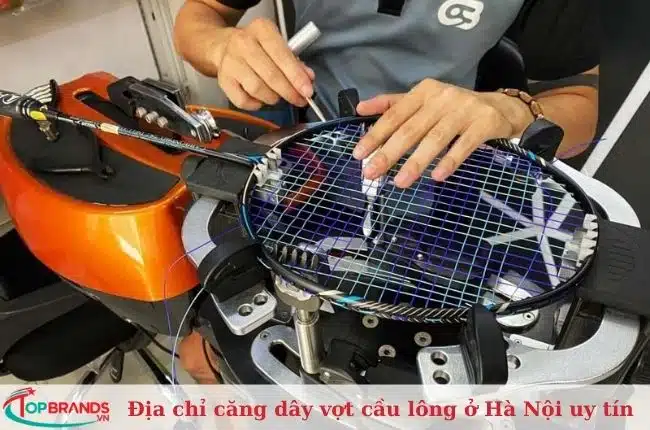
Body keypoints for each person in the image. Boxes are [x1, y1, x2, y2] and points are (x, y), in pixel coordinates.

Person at [173, 0, 599, 383]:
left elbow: (584, 100)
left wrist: (513, 109)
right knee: (213, 359)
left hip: (453, 192)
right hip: (308, 173)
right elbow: (197, 18)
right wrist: (222, 47)